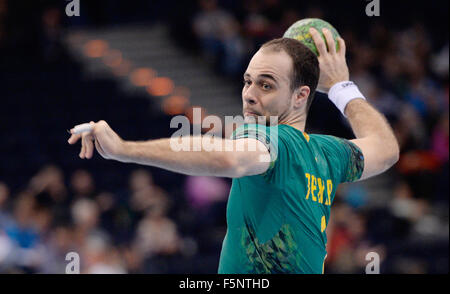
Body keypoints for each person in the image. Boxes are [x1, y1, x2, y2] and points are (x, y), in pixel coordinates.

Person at [67, 27, 399, 274]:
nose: (249, 94)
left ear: (300, 96)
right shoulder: (328, 153)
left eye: (266, 84)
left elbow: (230, 158)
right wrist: (341, 87)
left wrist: (125, 149)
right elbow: (384, 148)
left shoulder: (271, 135)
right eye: (247, 81)